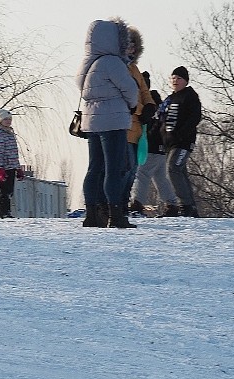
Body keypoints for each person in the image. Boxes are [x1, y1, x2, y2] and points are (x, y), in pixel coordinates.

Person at [76, 18, 138, 229]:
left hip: (91, 122)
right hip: (113, 122)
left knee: (94, 168)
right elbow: (131, 91)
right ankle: (115, 215)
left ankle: (91, 214)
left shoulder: (87, 64)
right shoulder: (112, 63)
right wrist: (131, 105)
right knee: (114, 169)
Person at [128, 73, 178, 216]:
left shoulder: (146, 103)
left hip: (150, 145)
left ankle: (137, 203)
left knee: (142, 174)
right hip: (160, 147)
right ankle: (172, 204)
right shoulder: (157, 102)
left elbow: (148, 124)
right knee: (160, 177)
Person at [157, 66, 202, 216]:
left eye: (179, 78)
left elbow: (194, 117)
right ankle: (191, 207)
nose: (175, 81)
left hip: (183, 141)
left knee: (173, 168)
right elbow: (161, 119)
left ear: (186, 81)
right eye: (173, 78)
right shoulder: (169, 99)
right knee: (180, 171)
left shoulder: (189, 96)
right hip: (170, 143)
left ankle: (186, 206)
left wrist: (182, 133)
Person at [122, 26, 157, 214]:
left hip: (137, 130)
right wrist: (142, 109)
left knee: (133, 170)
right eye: (128, 44)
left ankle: (123, 203)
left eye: (134, 45)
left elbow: (144, 91)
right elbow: (129, 99)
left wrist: (150, 105)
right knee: (125, 169)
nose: (131, 48)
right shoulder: (120, 68)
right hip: (125, 126)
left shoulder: (134, 69)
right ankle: (118, 203)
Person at [0, 107, 24, 218]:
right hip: (4, 166)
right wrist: (0, 168)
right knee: (4, 190)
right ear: (0, 120)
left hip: (12, 166)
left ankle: (7, 211)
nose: (9, 121)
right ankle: (3, 212)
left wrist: (18, 168)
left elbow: (14, 153)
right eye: (6, 119)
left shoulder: (10, 133)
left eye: (10, 119)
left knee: (10, 191)